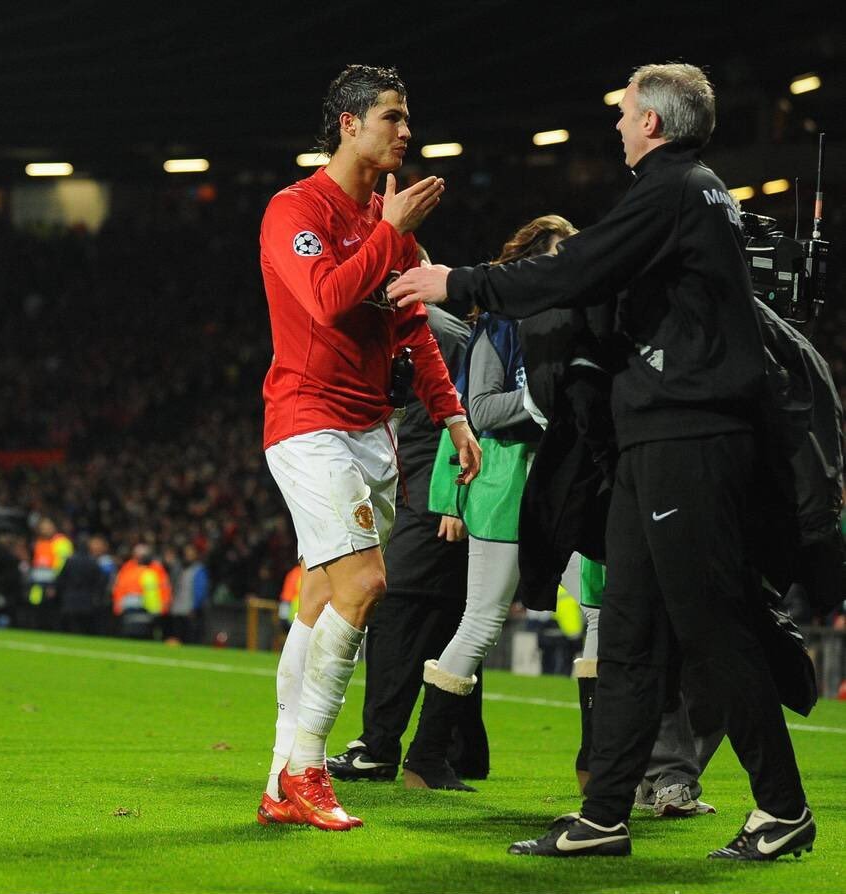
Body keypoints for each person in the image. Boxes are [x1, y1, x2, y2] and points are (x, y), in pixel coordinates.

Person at [393, 63, 815, 860]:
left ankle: (784, 808)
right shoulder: (694, 193)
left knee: (711, 628)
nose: (618, 125)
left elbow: (576, 269)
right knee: (625, 635)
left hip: (689, 440)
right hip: (655, 444)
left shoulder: (675, 188)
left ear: (652, 122)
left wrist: (460, 281)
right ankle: (604, 816)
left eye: (624, 113)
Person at [255, 64, 480, 831]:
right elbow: (324, 299)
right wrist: (391, 232)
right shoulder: (295, 210)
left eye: (407, 118)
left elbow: (414, 326)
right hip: (307, 420)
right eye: (392, 116)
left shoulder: (390, 224)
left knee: (322, 599)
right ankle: (308, 769)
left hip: (371, 429)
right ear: (348, 124)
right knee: (365, 582)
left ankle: (278, 782)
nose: (406, 132)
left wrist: (453, 417)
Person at [401, 216, 572, 791]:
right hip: (505, 485)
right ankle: (425, 757)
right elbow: (478, 411)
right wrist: (543, 399)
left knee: (604, 612)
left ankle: (599, 768)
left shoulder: (579, 320)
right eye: (556, 256)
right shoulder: (498, 325)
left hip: (568, 483)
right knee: (481, 621)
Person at [327, 299, 488, 786]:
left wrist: (454, 496)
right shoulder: (416, 328)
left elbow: (469, 412)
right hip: (419, 484)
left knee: (400, 601)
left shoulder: (436, 331)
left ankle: (379, 747)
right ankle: (460, 750)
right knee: (447, 613)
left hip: (436, 489)